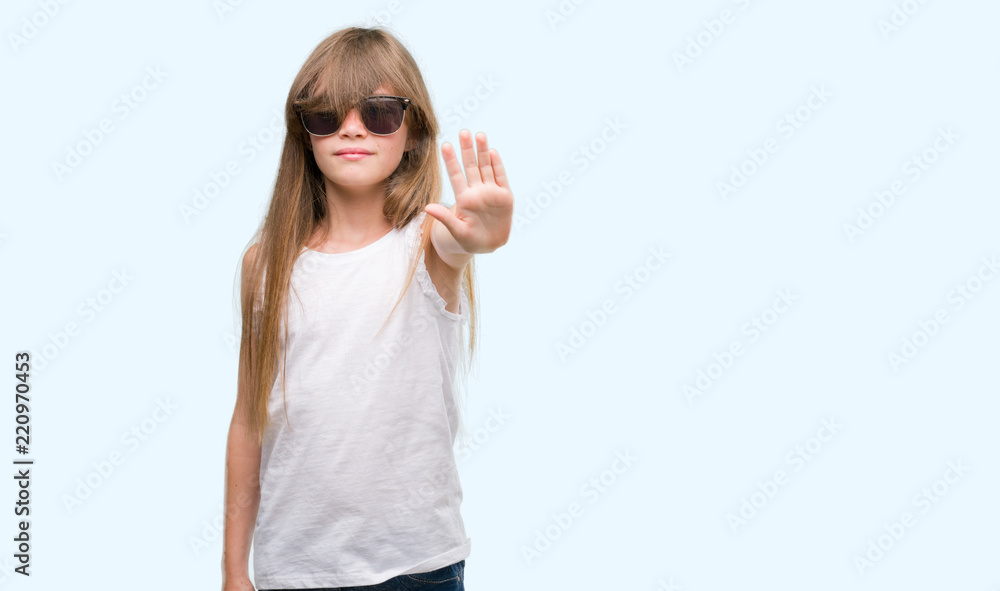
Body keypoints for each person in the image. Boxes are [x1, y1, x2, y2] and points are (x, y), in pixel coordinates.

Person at [221, 26, 513, 591]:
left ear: (413, 129)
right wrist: (234, 570)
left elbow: (462, 243)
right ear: (303, 132)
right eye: (327, 114)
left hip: (415, 568)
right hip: (294, 570)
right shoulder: (264, 265)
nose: (352, 127)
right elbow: (248, 421)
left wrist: (485, 235)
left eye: (379, 111)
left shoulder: (428, 243)